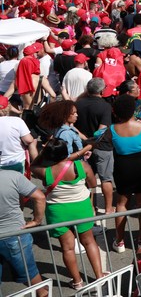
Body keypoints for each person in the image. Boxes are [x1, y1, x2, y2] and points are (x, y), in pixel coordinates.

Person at [31, 139, 104, 289]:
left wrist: (43, 152)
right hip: (81, 208)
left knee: (67, 248)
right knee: (89, 242)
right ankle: (99, 277)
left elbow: (33, 166)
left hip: (58, 213)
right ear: (66, 152)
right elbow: (93, 184)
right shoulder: (81, 166)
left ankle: (77, 282)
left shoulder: (46, 172)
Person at [109, 96, 141, 253]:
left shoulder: (112, 129)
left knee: (121, 203)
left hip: (123, 166)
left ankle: (119, 241)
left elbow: (104, 142)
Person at [0, 166, 48, 297]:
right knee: (33, 277)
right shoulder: (13, 176)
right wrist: (36, 221)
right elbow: (40, 197)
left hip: (13, 236)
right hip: (15, 235)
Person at [75, 78, 115, 216]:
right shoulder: (105, 106)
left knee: (86, 179)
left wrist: (85, 140)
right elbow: (102, 129)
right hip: (102, 147)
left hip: (82, 147)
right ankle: (109, 208)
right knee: (106, 178)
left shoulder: (78, 104)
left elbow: (72, 126)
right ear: (102, 91)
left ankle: (90, 208)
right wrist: (93, 141)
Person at [0, 95, 39, 173]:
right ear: (8, 107)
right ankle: (37, 165)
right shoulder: (17, 121)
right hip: (16, 161)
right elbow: (28, 140)